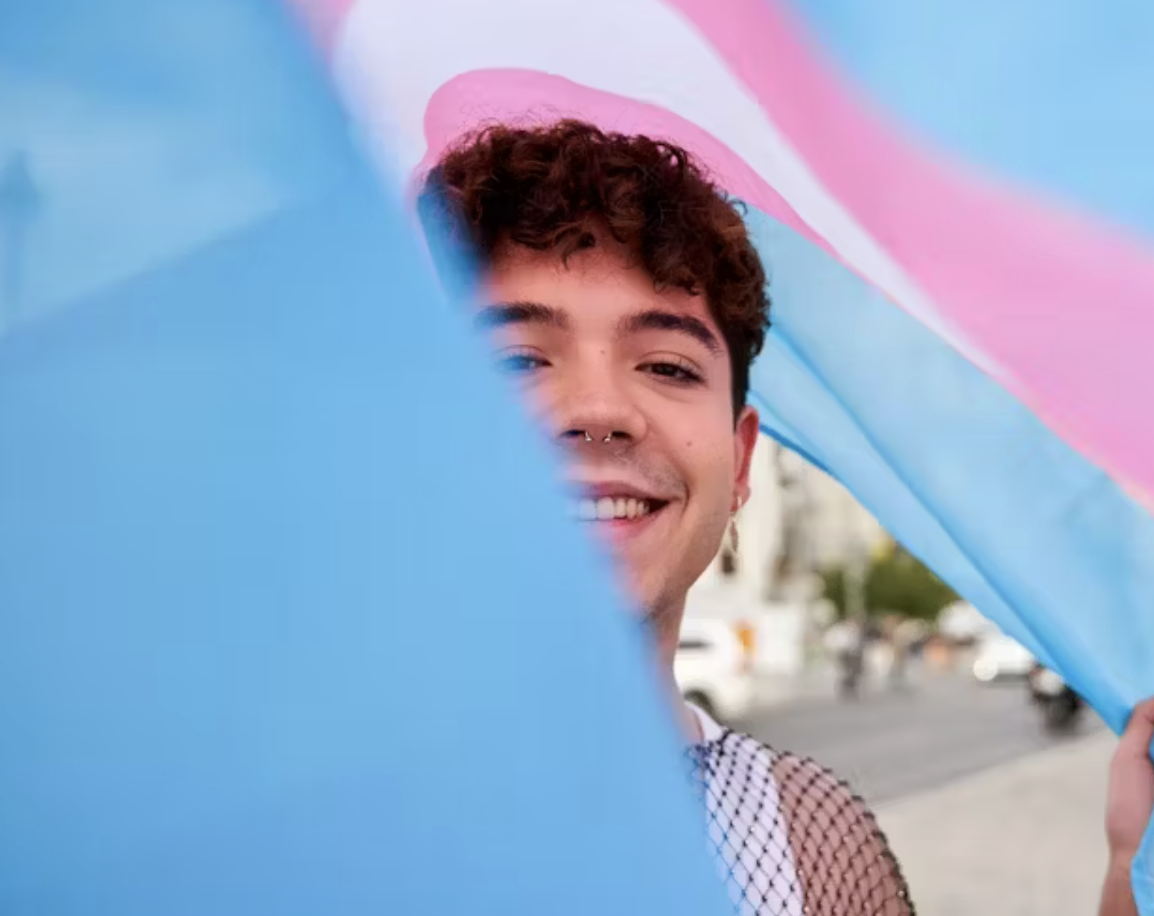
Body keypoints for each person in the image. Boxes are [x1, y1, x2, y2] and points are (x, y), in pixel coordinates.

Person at [416, 119, 1154, 916]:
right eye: (518, 359)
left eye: (667, 365)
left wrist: (1127, 876)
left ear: (739, 464)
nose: (599, 409)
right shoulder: (319, 816)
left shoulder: (809, 841)